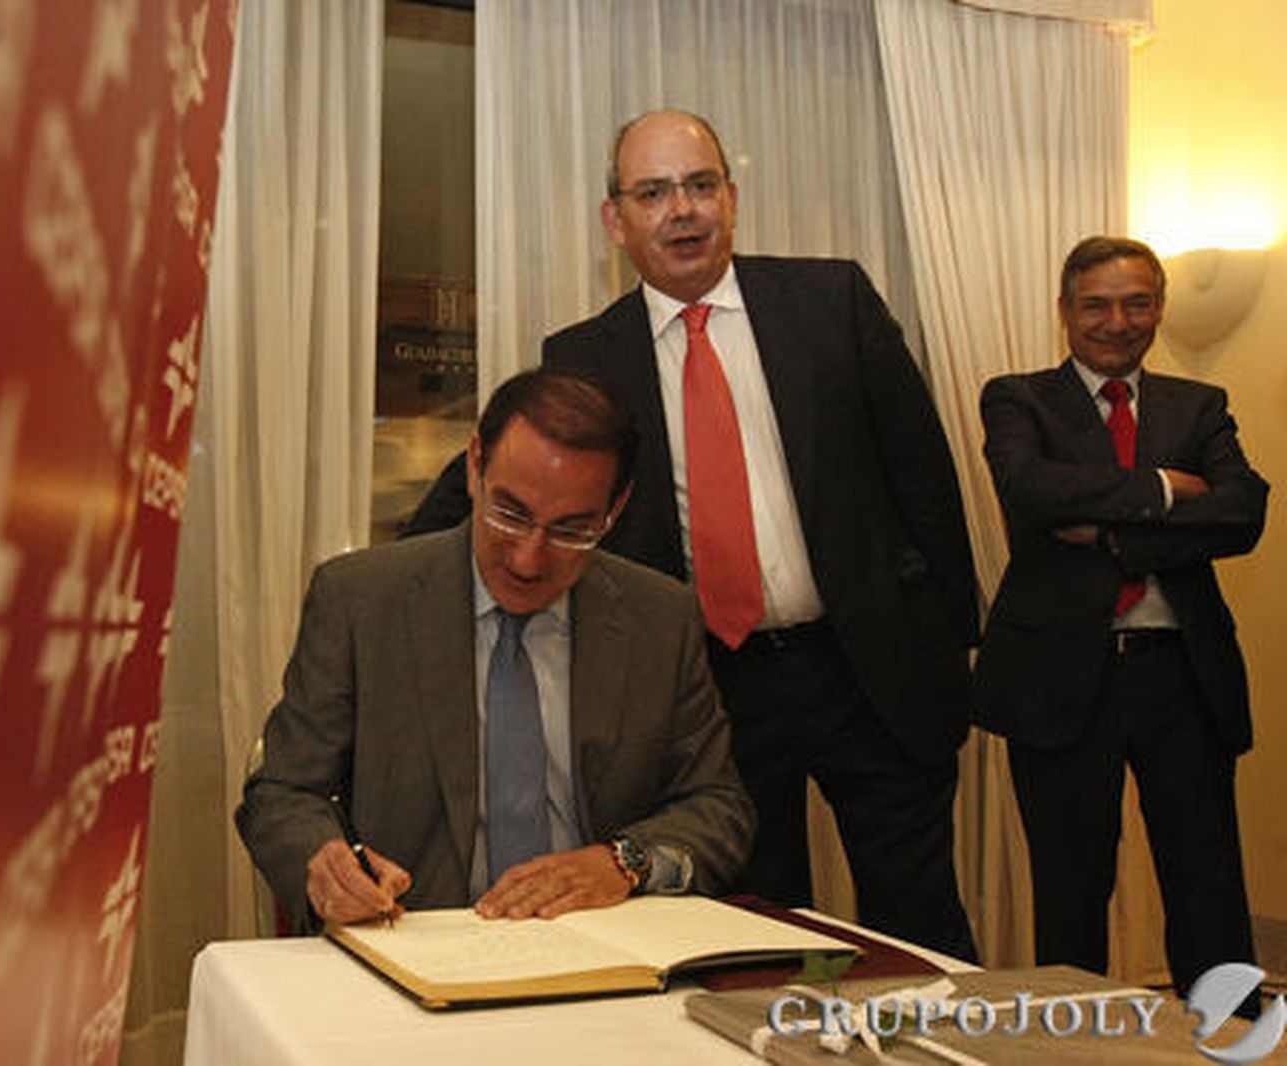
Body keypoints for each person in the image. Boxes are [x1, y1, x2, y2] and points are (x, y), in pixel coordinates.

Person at [408, 110, 979, 961]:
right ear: (617, 220)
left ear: (731, 198)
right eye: (653, 192)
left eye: (699, 185)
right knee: (758, 936)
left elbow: (926, 480)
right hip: (715, 691)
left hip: (869, 671)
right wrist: (387, 580)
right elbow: (502, 490)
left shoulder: (832, 302)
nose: (682, 210)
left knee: (920, 923)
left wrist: (947, 643)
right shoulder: (584, 357)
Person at [238, 368, 754, 932]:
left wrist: (625, 862)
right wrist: (325, 863)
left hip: (605, 949)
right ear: (474, 465)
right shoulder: (360, 601)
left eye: (571, 531)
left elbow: (718, 806)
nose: (528, 559)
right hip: (415, 942)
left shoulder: (659, 617)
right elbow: (284, 789)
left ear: (616, 508)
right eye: (509, 514)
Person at [976, 235, 1266, 997]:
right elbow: (1033, 491)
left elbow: (1244, 512)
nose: (1117, 321)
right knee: (1071, 895)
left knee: (1207, 890)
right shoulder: (1018, 397)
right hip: (1063, 680)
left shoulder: (1198, 405)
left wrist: (1109, 527)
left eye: (1137, 302)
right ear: (1065, 311)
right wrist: (1170, 491)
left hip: (1182, 676)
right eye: (1097, 304)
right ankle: (1074, 1046)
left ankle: (1223, 1037)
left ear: (1160, 308)